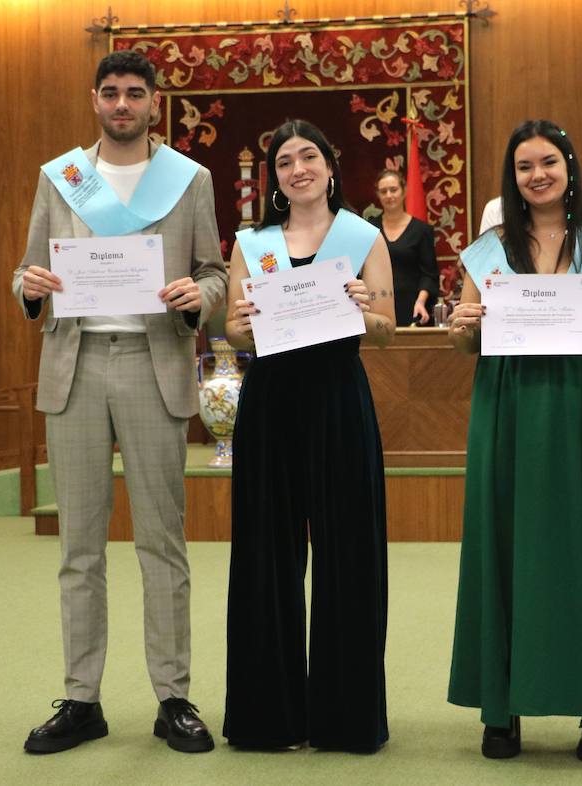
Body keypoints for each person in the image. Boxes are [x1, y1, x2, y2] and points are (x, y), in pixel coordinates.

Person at [13, 50, 226, 755]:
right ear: (94, 100)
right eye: (110, 93)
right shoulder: (61, 177)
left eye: (135, 93)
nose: (122, 104)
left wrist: (204, 297)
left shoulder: (189, 179)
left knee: (161, 543)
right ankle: (82, 700)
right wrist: (31, 288)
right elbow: (26, 269)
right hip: (73, 367)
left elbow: (214, 273)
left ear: (154, 102)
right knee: (79, 547)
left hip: (152, 363)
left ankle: (173, 698)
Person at [447, 119, 582, 764]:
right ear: (514, 176)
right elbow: (464, 339)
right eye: (525, 165)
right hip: (505, 404)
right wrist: (461, 323)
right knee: (502, 543)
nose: (538, 174)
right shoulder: (488, 248)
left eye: (549, 162)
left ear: (570, 167)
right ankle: (500, 711)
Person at [222, 119, 397, 753]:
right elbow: (237, 335)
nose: (297, 168)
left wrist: (361, 305)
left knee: (348, 555)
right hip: (270, 403)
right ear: (275, 178)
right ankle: (269, 718)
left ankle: (345, 720)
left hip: (338, 400)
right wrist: (240, 321)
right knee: (266, 557)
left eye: (309, 157)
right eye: (285, 161)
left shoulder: (362, 236)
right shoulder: (254, 243)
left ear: (330, 166)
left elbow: (385, 331)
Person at [371, 169, 439, 325]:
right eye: (383, 191)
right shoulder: (369, 229)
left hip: (414, 308)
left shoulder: (422, 230)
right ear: (378, 195)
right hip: (378, 309)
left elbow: (429, 274)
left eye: (393, 190)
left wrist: (421, 302)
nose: (389, 195)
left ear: (404, 191)